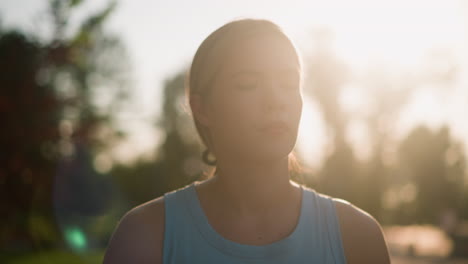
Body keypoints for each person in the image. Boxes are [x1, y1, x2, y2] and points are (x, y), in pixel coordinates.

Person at [103, 18, 391, 264]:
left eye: (289, 82)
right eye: (247, 83)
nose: (275, 100)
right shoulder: (145, 237)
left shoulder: (356, 236)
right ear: (202, 108)